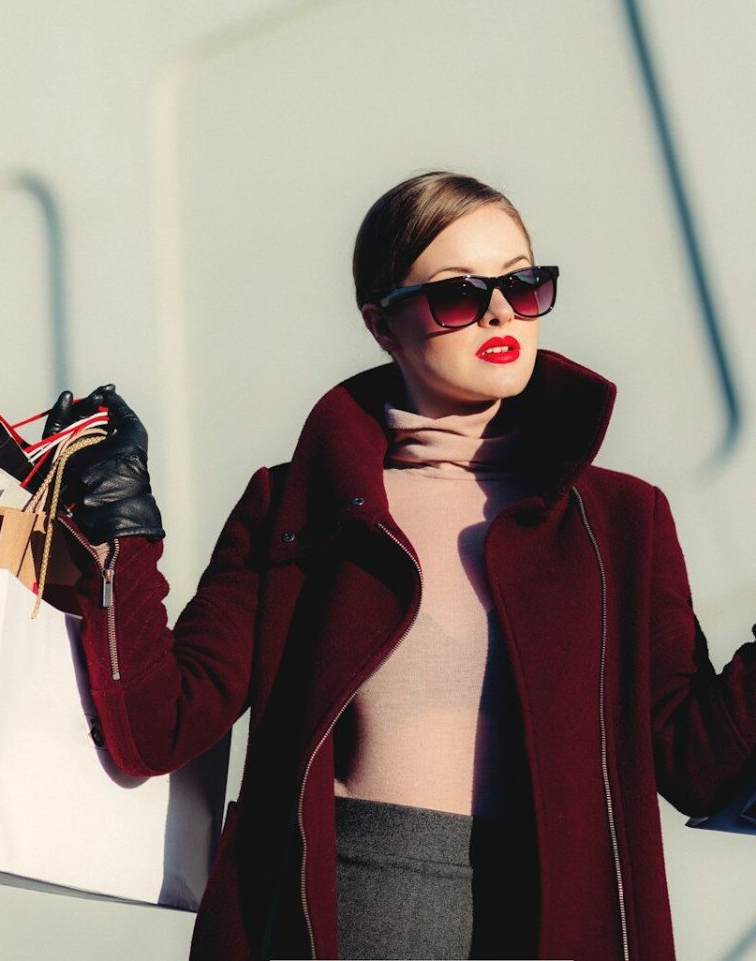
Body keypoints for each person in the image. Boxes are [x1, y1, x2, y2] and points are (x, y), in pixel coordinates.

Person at [45, 170, 756, 961]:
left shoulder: (623, 521)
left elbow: (698, 765)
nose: (498, 312)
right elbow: (157, 726)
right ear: (382, 324)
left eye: (524, 285)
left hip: (560, 925)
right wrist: (118, 533)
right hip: (342, 923)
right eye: (458, 293)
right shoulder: (297, 506)